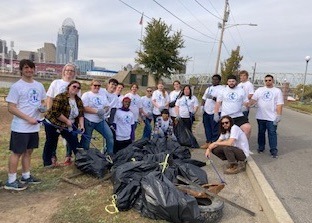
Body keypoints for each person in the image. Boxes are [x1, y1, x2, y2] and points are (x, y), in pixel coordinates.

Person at [4, 59, 46, 190]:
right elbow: (11, 107)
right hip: (20, 126)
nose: (29, 70)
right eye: (26, 68)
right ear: (21, 70)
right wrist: (28, 118)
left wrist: (42, 108)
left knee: (29, 152)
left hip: (34, 126)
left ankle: (26, 176)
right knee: (17, 152)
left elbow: (43, 102)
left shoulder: (39, 85)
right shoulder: (17, 86)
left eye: (31, 68)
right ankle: (11, 181)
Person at [42, 80, 84, 167]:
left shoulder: (78, 100)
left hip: (68, 124)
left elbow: (80, 114)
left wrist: (82, 125)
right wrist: (66, 121)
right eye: (74, 86)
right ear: (69, 87)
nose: (76, 89)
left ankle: (81, 160)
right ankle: (47, 162)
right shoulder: (60, 97)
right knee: (51, 141)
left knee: (74, 141)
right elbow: (55, 112)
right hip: (53, 122)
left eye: (78, 88)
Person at [46, 63, 79, 166]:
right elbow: (50, 98)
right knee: (52, 139)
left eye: (71, 70)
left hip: (70, 118)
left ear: (74, 73)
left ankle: (68, 156)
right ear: (63, 71)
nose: (69, 72)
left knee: (71, 138)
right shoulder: (56, 83)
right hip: (56, 117)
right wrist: (50, 113)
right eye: (67, 70)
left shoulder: (76, 85)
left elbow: (78, 102)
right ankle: (52, 158)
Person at [249, 74, 284, 158]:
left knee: (272, 133)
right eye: (266, 80)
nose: (268, 82)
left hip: (272, 117)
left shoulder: (277, 91)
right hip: (261, 116)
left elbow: (279, 104)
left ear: (273, 81)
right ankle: (261, 148)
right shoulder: (260, 90)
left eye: (269, 80)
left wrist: (278, 115)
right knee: (261, 133)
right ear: (264, 81)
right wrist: (248, 104)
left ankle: (273, 151)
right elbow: (253, 99)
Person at [80, 79, 114, 155]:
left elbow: (107, 105)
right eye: (95, 85)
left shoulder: (102, 95)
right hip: (89, 121)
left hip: (100, 121)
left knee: (110, 136)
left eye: (99, 86)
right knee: (87, 140)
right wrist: (96, 111)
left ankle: (109, 154)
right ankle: (84, 157)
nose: (97, 87)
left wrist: (104, 111)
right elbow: (84, 108)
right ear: (91, 86)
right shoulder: (86, 95)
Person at [200, 74, 224, 149]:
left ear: (219, 80)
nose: (214, 81)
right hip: (207, 111)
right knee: (207, 127)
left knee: (215, 128)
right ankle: (208, 141)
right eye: (213, 79)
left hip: (215, 111)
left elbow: (221, 101)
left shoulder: (222, 89)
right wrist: (202, 106)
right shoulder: (209, 88)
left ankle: (214, 143)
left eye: (216, 79)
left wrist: (213, 97)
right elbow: (204, 98)